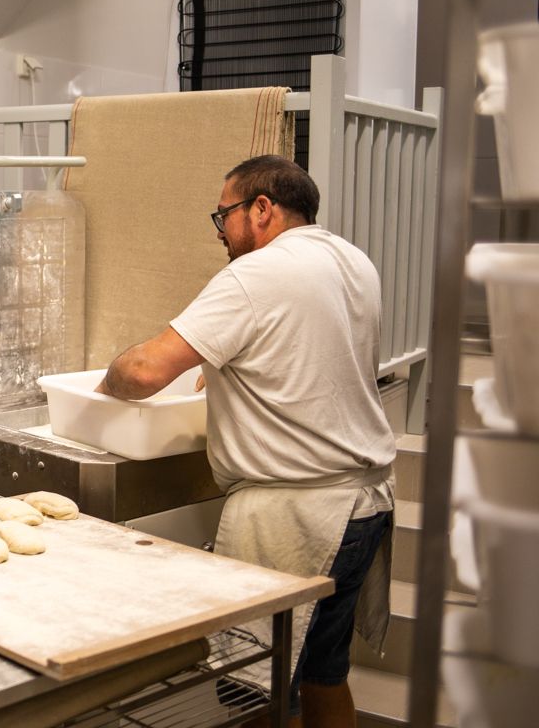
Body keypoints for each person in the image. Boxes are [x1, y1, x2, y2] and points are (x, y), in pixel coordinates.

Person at [96, 155, 395, 728]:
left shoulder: (255, 275)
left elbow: (144, 372)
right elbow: (307, 354)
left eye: (222, 215)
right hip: (363, 505)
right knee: (323, 673)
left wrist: (103, 384)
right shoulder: (351, 261)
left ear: (261, 208)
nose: (220, 235)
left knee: (255, 686)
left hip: (300, 519)